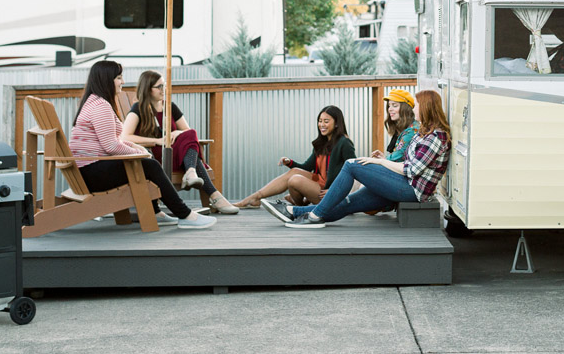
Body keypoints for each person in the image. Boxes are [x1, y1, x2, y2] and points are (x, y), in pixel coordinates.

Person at [262, 89, 450, 228]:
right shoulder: (425, 133)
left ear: (425, 107)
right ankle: (293, 212)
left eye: (416, 105)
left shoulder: (436, 137)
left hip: (412, 191)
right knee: (348, 203)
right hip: (403, 183)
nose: (413, 108)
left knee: (352, 165)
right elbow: (408, 164)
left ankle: (314, 216)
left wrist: (380, 162)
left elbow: (412, 170)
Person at [68, 60, 216, 230]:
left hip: (91, 169)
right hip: (93, 174)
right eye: (118, 77)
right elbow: (110, 146)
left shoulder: (95, 102)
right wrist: (139, 152)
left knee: (147, 163)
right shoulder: (100, 106)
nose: (122, 82)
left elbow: (112, 142)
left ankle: (156, 212)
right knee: (150, 165)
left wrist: (136, 148)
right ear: (106, 79)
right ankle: (185, 215)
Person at [120, 70, 238, 215]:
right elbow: (125, 137)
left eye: (165, 86)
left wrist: (178, 132)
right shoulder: (138, 109)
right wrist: (157, 140)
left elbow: (188, 131)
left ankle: (190, 172)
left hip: (176, 155)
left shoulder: (170, 106)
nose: (164, 90)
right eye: (159, 87)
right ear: (148, 88)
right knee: (194, 156)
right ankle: (214, 195)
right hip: (157, 158)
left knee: (191, 134)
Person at [236, 105, 355, 209]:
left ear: (337, 124)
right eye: (320, 121)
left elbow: (353, 171)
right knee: (294, 172)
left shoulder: (344, 143)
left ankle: (299, 204)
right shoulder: (322, 143)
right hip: (319, 183)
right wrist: (289, 162)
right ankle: (255, 197)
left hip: (330, 193)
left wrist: (336, 190)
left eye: (326, 121)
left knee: (295, 180)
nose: (321, 125)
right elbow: (307, 167)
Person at [377, 89, 420, 162]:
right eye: (389, 106)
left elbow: (398, 157)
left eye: (395, 105)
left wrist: (381, 160)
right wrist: (383, 157)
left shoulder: (412, 130)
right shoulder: (400, 129)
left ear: (406, 109)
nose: (390, 109)